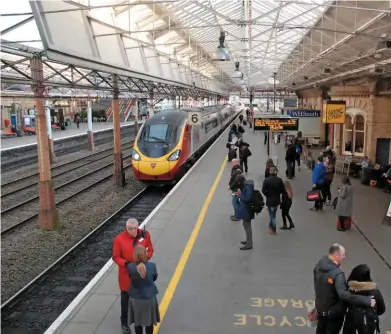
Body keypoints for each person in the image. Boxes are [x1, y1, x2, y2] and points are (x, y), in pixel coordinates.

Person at [314, 244, 376, 334]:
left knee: (320, 330)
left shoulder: (319, 264)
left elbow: (317, 283)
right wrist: (366, 300)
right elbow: (343, 294)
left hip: (320, 308)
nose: (344, 257)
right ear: (336, 255)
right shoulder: (337, 274)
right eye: (343, 255)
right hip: (333, 313)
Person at [112, 219, 154, 333]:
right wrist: (126, 264)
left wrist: (145, 259)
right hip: (126, 275)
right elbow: (116, 257)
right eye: (130, 229)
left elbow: (150, 249)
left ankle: (140, 320)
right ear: (126, 228)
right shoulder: (119, 239)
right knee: (126, 300)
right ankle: (124, 322)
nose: (134, 231)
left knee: (141, 299)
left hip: (141, 273)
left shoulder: (145, 235)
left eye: (135, 228)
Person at [343, 264, 386, 334]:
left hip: (352, 328)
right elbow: (382, 310)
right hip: (370, 328)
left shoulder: (350, 292)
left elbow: (342, 307)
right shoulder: (375, 292)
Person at [127, 245, 160, 334]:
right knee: (149, 323)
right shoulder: (152, 266)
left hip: (136, 298)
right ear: (145, 254)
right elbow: (154, 278)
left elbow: (130, 277)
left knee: (137, 322)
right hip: (149, 298)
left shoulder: (130, 267)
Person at [262, 167, 285, 235]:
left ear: (270, 172)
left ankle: (273, 229)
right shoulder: (279, 180)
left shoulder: (266, 180)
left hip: (269, 200)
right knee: (273, 213)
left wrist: (267, 195)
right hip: (277, 200)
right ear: (275, 172)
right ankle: (271, 226)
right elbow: (283, 190)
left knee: (272, 215)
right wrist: (278, 193)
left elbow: (263, 190)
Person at [236, 179, 255, 250]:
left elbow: (247, 198)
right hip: (246, 210)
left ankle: (249, 243)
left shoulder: (248, 187)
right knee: (245, 224)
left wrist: (240, 194)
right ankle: (248, 240)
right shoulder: (248, 187)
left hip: (247, 210)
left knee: (247, 226)